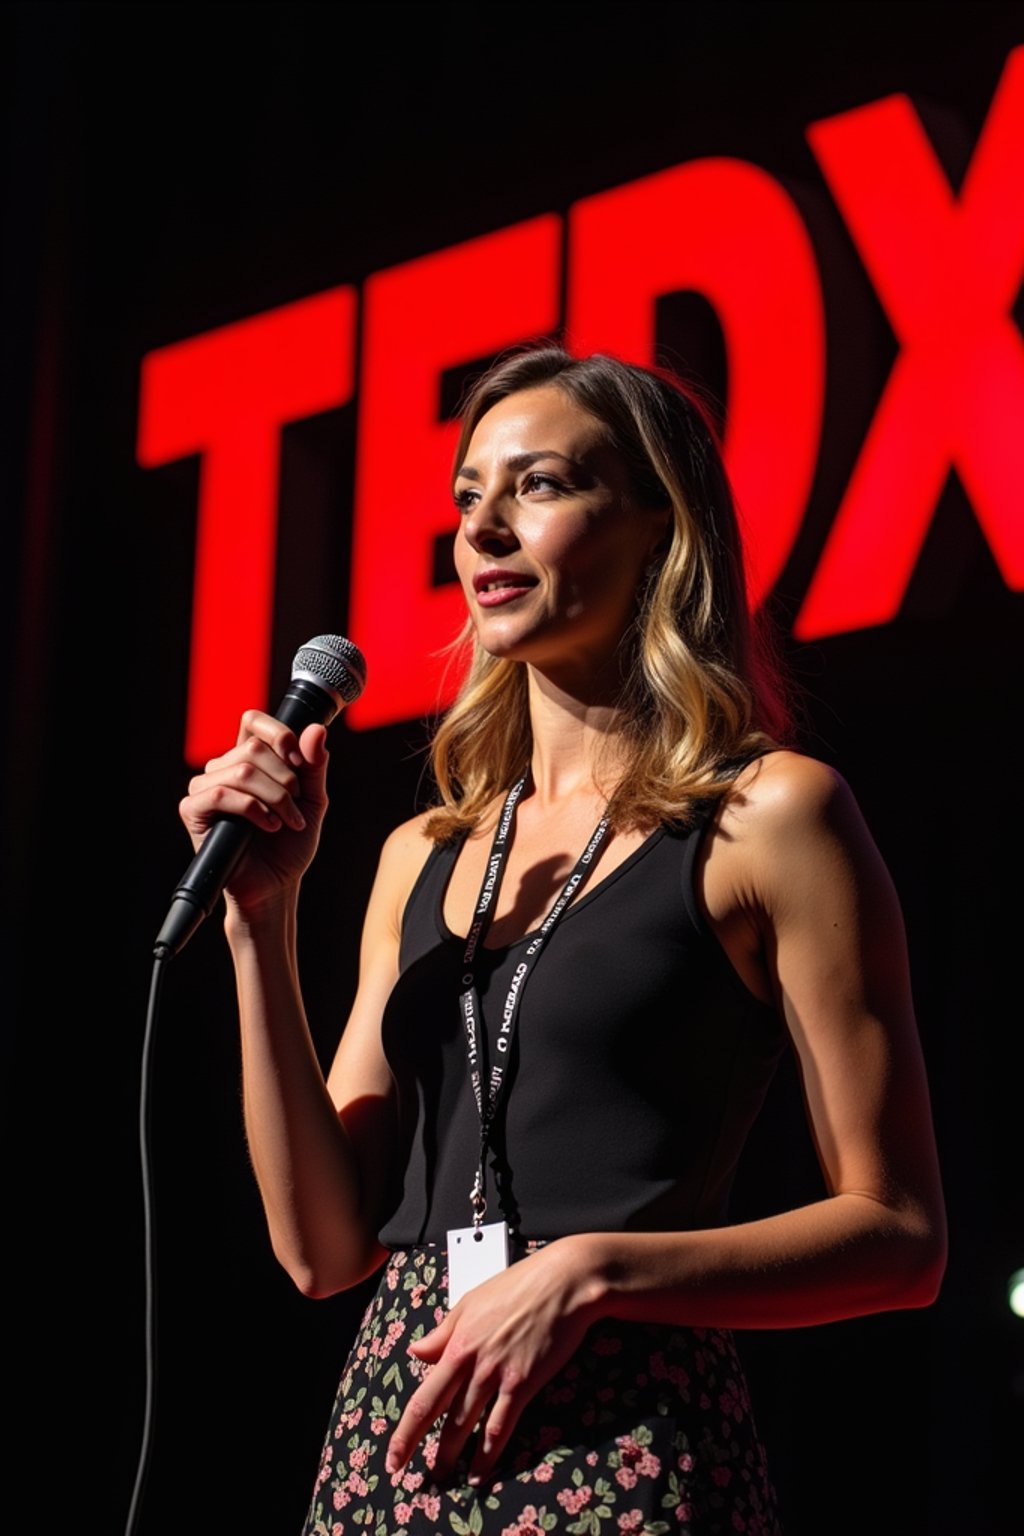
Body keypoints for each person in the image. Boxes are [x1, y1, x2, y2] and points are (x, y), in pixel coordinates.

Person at [177, 344, 947, 1535]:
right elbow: (323, 1250)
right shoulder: (419, 854)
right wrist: (258, 924)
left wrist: (594, 1271)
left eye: (536, 486)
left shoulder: (772, 817)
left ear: (656, 524)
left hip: (626, 1444)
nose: (483, 529)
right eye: (467, 497)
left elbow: (899, 1236)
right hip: (398, 1439)